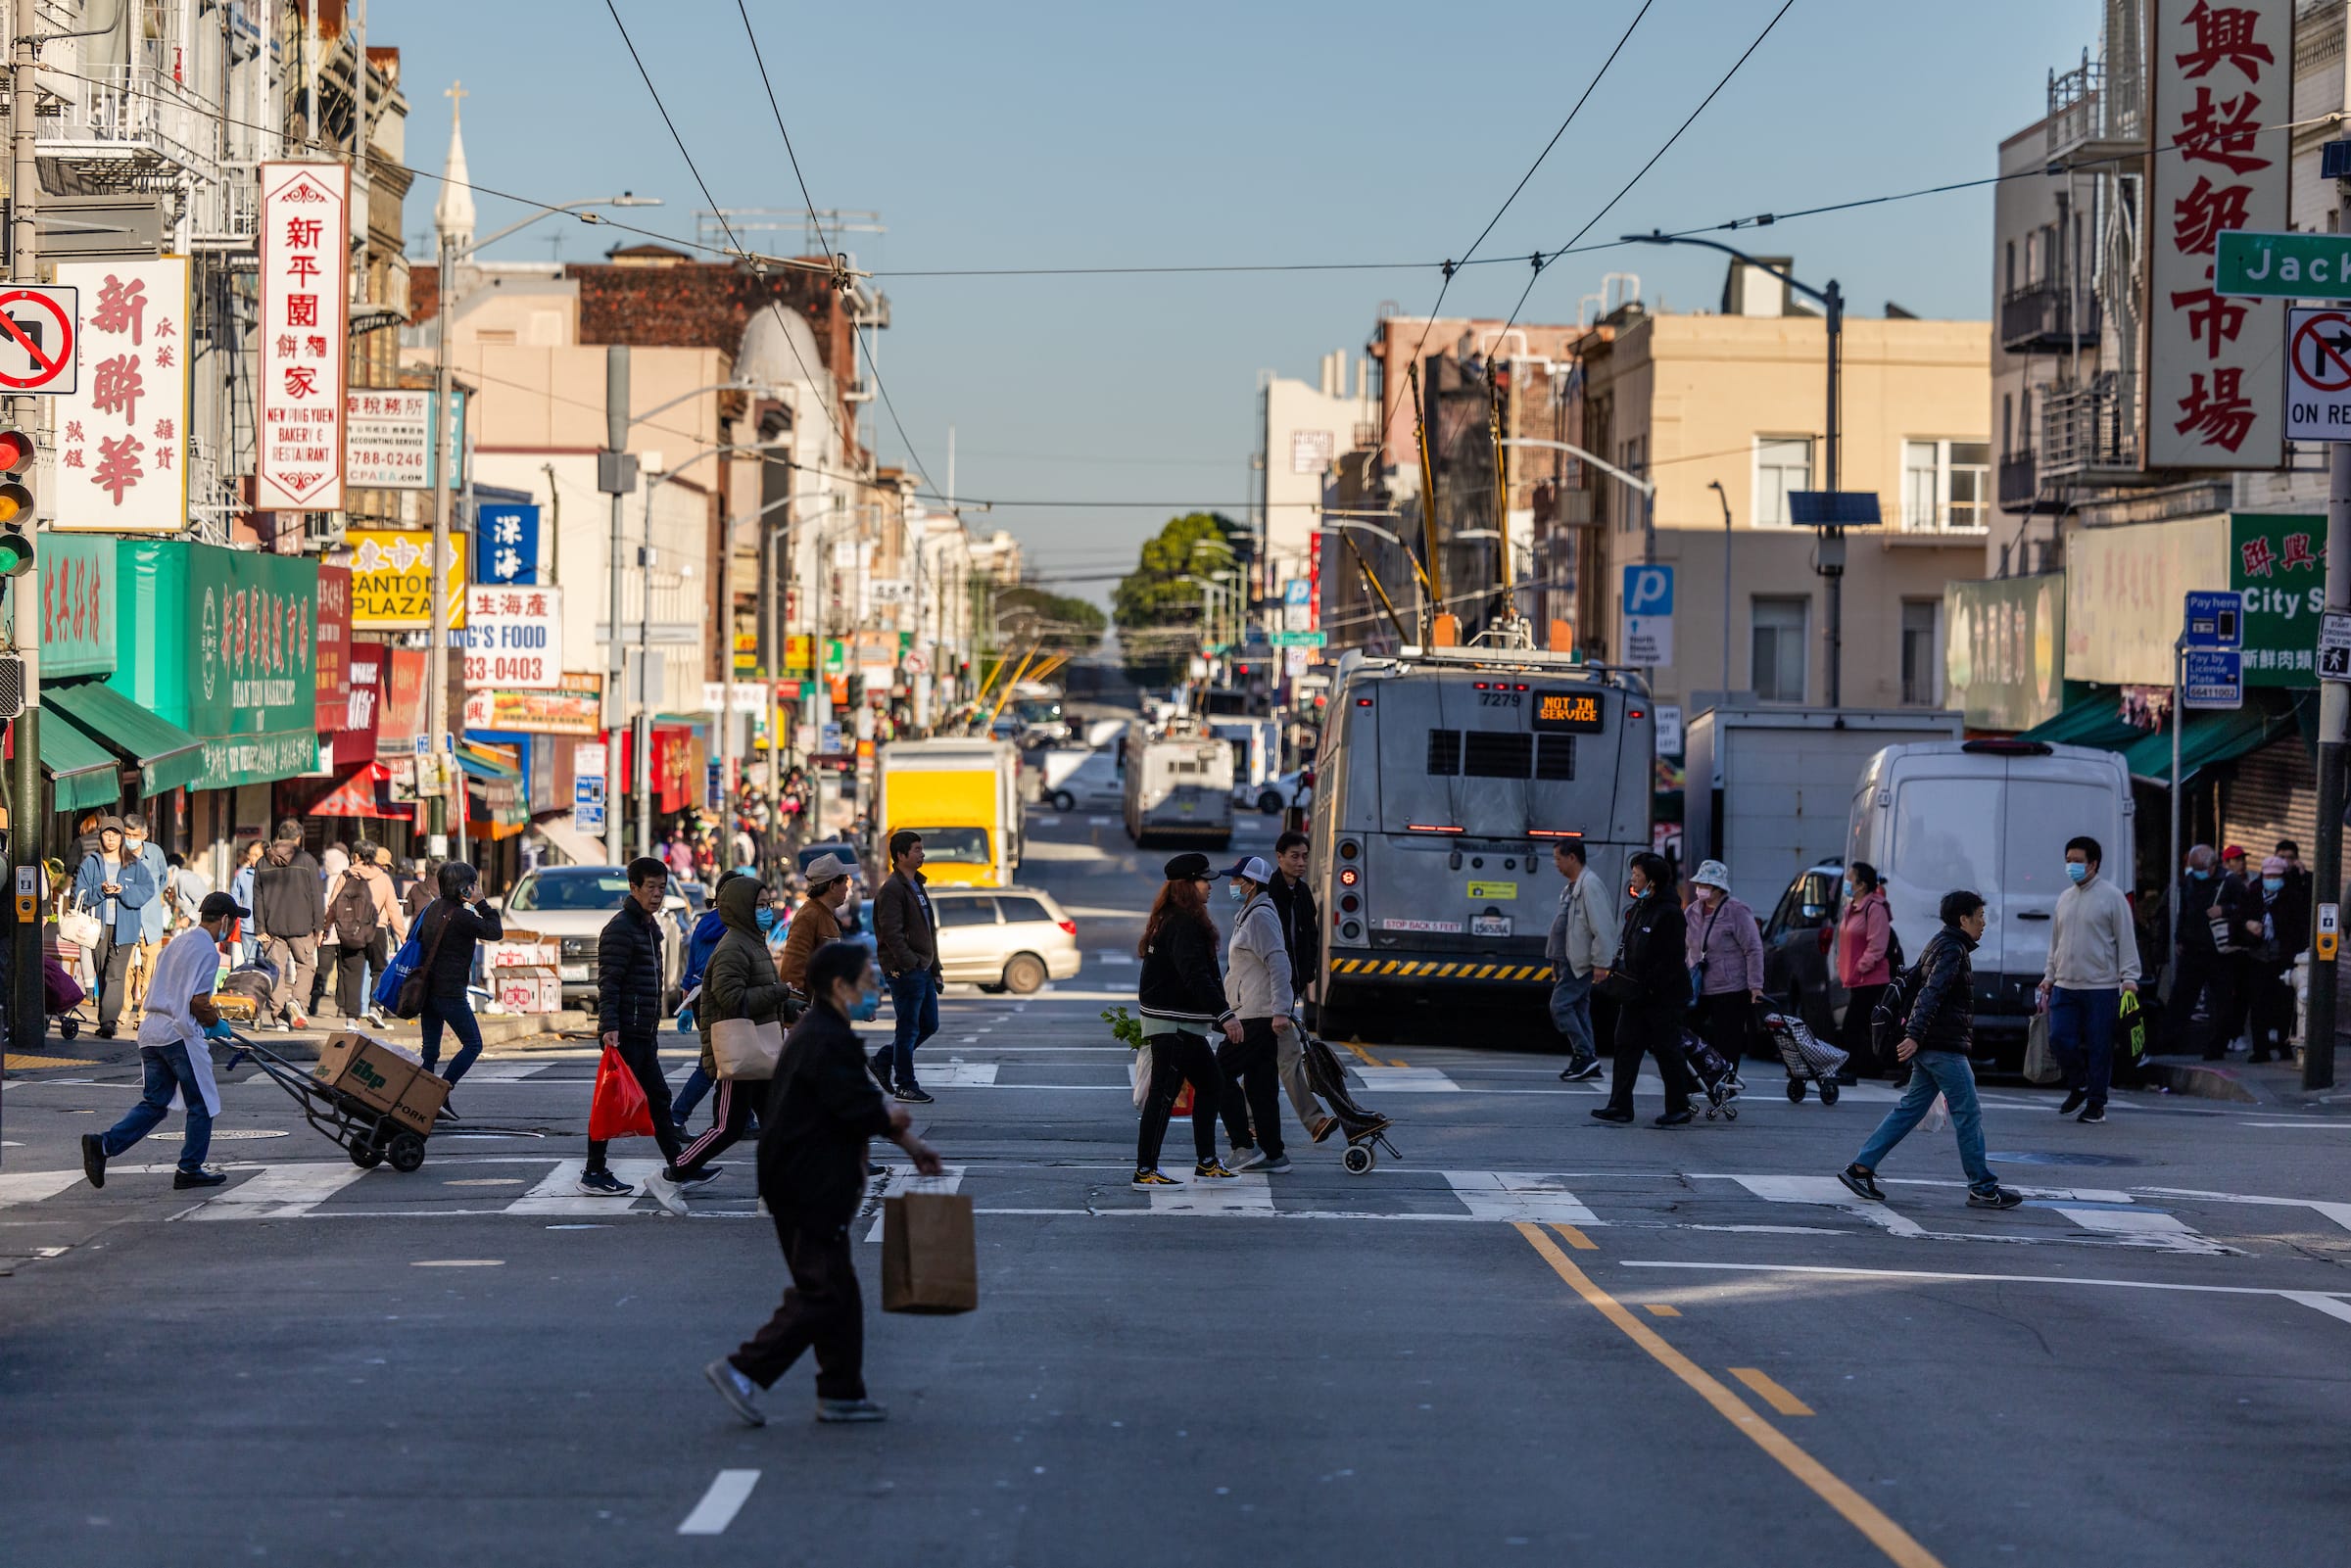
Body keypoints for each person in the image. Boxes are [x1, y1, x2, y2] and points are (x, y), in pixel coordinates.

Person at [703, 940, 944, 1428]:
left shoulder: (825, 1031)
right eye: (869, 983)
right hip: (807, 1182)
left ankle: (841, 1392)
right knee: (823, 1291)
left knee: (839, 1289)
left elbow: (855, 1103)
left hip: (805, 1177)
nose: (876, 991)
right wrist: (909, 1139)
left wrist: (904, 1136)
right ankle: (743, 1369)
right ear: (840, 987)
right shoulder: (824, 1039)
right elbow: (857, 1106)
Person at [1837, 890, 2023, 1211]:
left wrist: (1916, 1036)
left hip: (1933, 1044)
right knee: (1968, 1112)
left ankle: (1861, 1168)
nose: (1984, 924)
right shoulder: (1952, 949)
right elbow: (1931, 993)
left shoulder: (1942, 942)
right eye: (1980, 917)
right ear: (1963, 919)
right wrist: (1915, 1034)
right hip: (1941, 1046)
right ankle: (1982, 1186)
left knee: (1910, 1109)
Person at [81, 891, 245, 1193]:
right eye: (233, 921)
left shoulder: (178, 942)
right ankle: (189, 1168)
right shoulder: (208, 951)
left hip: (152, 1032)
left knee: (155, 1103)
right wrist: (214, 1024)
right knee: (203, 1104)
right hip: (178, 1033)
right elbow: (197, 1001)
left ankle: (103, 1144)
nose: (232, 927)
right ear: (224, 920)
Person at [580, 856, 704, 1196]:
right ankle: (594, 1171)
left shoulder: (649, 927)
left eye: (662, 887)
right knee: (612, 1102)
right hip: (625, 1032)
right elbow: (610, 982)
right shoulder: (621, 928)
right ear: (633, 887)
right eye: (650, 887)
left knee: (659, 1099)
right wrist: (609, 1026)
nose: (657, 894)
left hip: (643, 1032)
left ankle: (680, 1166)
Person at [671, 874, 795, 1179]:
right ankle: (673, 1173)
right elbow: (732, 998)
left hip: (758, 1048)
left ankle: (780, 1187)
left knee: (776, 1122)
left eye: (769, 904)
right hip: (740, 1049)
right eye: (760, 905)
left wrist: (791, 1004)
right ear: (741, 908)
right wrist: (780, 993)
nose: (768, 911)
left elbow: (761, 989)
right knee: (728, 1128)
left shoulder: (753, 942)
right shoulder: (734, 946)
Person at [1130, 853, 1236, 1188]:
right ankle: (1145, 1170)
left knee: (1212, 1084)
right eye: (1204, 880)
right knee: (1164, 1096)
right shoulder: (1181, 923)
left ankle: (1206, 1161)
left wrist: (1217, 1015)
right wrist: (1225, 1014)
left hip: (1182, 1023)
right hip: (1172, 1024)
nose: (1210, 886)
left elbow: (1199, 975)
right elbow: (1195, 974)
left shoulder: (1175, 918)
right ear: (1187, 886)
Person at [2039, 834, 2140, 1124]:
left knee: (2099, 1047)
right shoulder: (2064, 898)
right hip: (2065, 985)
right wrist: (2049, 976)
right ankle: (2079, 1084)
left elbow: (2125, 940)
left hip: (2102, 987)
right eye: (2068, 861)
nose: (2072, 866)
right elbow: (2055, 942)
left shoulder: (2112, 897)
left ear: (2094, 864)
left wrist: (2129, 978)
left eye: (2078, 862)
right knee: (2059, 1039)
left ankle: (2096, 1102)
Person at [1593, 851, 1699, 1127]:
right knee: (1625, 1045)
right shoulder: (1640, 908)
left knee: (1667, 1049)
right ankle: (1619, 1106)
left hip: (1663, 996)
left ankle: (1678, 1107)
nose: (1633, 879)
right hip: (1636, 994)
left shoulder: (1670, 913)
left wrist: (1650, 986)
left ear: (1651, 881)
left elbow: (1671, 959)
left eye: (1637, 875)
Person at [1220, 855, 1299, 1173]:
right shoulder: (1251, 914)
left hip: (1257, 1015)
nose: (1232, 885)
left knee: (1218, 1073)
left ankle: (1243, 1146)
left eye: (1238, 880)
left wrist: (1281, 1011)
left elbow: (1280, 964)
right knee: (1260, 1086)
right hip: (1255, 1012)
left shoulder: (1260, 917)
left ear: (1252, 885)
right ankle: (1272, 1152)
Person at [1260, 832, 1339, 1142]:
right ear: (1279, 857)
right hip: (1266, 990)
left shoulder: (1303, 893)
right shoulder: (1268, 894)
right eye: (1294, 855)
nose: (1301, 861)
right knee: (1289, 1055)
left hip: (1287, 987)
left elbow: (1310, 938)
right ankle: (1315, 1120)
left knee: (1258, 1058)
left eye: (1305, 855)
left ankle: (1246, 1118)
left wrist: (1306, 974)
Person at [409, 860, 504, 1112]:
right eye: (473, 885)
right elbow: (494, 931)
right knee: (473, 1044)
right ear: (464, 889)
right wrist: (481, 904)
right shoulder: (461, 917)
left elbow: (414, 938)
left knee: (430, 1051)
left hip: (427, 989)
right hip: (450, 991)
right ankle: (441, 1091)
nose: (476, 888)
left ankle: (422, 1104)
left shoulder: (431, 910)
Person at [872, 831, 942, 1104]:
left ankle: (883, 1059)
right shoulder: (892, 889)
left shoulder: (916, 885)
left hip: (923, 968)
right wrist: (909, 964)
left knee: (929, 1025)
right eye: (916, 849)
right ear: (901, 855)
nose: (921, 853)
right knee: (909, 1028)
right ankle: (905, 1083)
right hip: (907, 970)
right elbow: (892, 933)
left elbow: (928, 932)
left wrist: (935, 968)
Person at [72, 817, 157, 1040]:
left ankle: (109, 1023)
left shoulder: (134, 865)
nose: (111, 838)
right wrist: (100, 891)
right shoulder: (91, 863)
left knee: (115, 975)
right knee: (102, 973)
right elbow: (79, 896)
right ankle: (105, 1018)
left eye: (116, 834)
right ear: (101, 836)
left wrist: (124, 890)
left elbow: (148, 890)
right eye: (107, 834)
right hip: (96, 928)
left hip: (125, 929)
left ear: (121, 837)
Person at [1684, 859, 1764, 1080]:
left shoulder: (1737, 911)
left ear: (1718, 888)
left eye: (1706, 885)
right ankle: (1698, 1079)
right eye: (1699, 884)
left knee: (1727, 1039)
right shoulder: (1692, 911)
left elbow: (1753, 949)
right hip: (1698, 987)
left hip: (1730, 987)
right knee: (1692, 1034)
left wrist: (1755, 986)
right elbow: (1685, 948)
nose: (1700, 888)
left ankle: (1727, 1083)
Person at [1547, 840, 1617, 1083]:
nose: (1556, 864)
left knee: (1560, 1006)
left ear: (1572, 858)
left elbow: (1602, 926)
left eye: (1558, 858)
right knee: (1579, 1008)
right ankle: (1589, 1061)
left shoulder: (1590, 885)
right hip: (1569, 960)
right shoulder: (1572, 887)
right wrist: (1555, 958)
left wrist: (1601, 962)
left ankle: (1585, 1056)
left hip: (1581, 962)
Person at [323, 838, 408, 1024]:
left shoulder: (346, 876)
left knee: (352, 973)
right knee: (379, 970)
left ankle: (352, 1019)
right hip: (376, 930)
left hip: (350, 931)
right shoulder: (383, 878)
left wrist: (325, 928)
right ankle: (375, 1008)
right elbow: (393, 908)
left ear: (356, 856)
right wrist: (402, 934)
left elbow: (332, 905)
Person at [252, 821, 324, 1032]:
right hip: (302, 926)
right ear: (298, 838)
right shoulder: (307, 860)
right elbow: (316, 895)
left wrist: (259, 928)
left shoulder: (263, 862)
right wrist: (319, 926)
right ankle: (298, 1003)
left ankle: (279, 1016)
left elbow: (257, 897)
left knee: (276, 971)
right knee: (306, 966)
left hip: (271, 927)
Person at [2167, 845, 2231, 1060]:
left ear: (2213, 866)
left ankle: (2217, 1046)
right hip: (2192, 948)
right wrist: (2179, 937)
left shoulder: (2228, 882)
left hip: (2217, 951)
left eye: (2200, 867)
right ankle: (2172, 1040)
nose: (2197, 872)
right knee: (2181, 997)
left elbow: (2244, 908)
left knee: (2219, 1001)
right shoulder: (2191, 882)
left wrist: (2225, 910)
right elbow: (2184, 910)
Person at [2247, 854, 2310, 1064]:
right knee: (2258, 1006)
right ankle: (2260, 1049)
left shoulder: (2292, 897)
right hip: (2258, 957)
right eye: (2268, 875)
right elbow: (2239, 919)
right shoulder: (2254, 894)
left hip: (2283, 958)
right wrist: (2248, 925)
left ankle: (2285, 1046)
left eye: (2276, 875)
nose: (2271, 879)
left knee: (2284, 1006)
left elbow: (2300, 927)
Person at [1835, 862, 1895, 1077]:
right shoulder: (1852, 908)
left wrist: (1861, 967)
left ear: (1861, 885)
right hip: (1855, 978)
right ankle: (1864, 1066)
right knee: (1860, 1025)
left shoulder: (1875, 909)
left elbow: (1877, 945)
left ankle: (1855, 1067)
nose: (1847, 883)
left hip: (1871, 979)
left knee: (1854, 1024)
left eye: (1850, 879)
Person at [779, 854, 852, 993]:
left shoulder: (825, 914)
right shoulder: (809, 916)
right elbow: (793, 969)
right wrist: (799, 1007)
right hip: (816, 1009)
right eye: (844, 881)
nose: (847, 888)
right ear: (832, 886)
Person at [227, 839, 265, 967]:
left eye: (256, 855)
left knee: (266, 963)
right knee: (249, 963)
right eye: (251, 855)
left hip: (267, 929)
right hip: (248, 927)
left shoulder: (272, 875)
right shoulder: (242, 875)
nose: (252, 858)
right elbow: (234, 898)